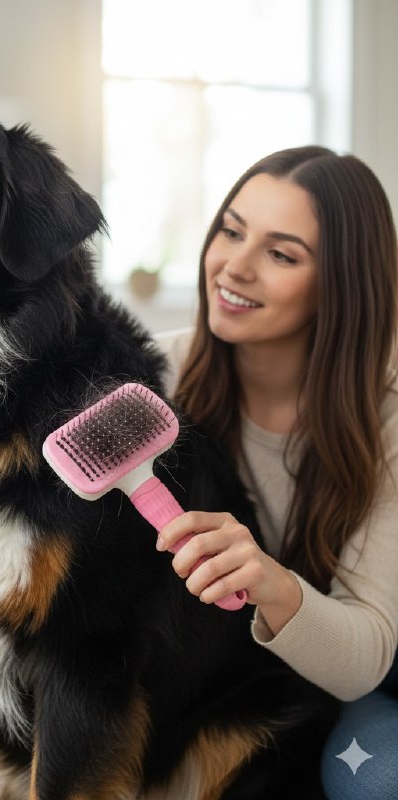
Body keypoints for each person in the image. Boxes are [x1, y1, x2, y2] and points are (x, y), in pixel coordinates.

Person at [153, 145, 398, 799]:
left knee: (372, 780)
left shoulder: (389, 417)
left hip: (372, 665)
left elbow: (362, 663)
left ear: (338, 285)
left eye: (281, 254)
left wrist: (269, 581)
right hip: (238, 678)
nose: (234, 266)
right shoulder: (155, 376)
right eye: (231, 230)